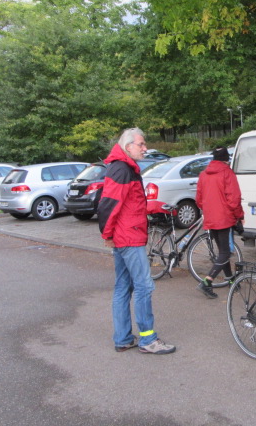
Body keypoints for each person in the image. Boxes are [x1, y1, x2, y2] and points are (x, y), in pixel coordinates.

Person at [98, 128, 176, 354]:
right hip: (129, 238)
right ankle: (148, 339)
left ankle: (123, 339)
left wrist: (153, 207)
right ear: (128, 146)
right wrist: (107, 235)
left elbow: (128, 203)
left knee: (124, 287)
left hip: (125, 235)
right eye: (141, 144)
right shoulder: (122, 169)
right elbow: (108, 204)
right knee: (144, 286)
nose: (145, 148)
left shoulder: (125, 167)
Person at [195, 146, 245, 299]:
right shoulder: (227, 173)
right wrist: (239, 216)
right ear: (226, 159)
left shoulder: (203, 174)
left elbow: (199, 199)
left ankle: (230, 280)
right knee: (225, 252)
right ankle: (207, 282)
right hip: (224, 217)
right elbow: (234, 199)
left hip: (210, 217)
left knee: (223, 251)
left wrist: (209, 209)